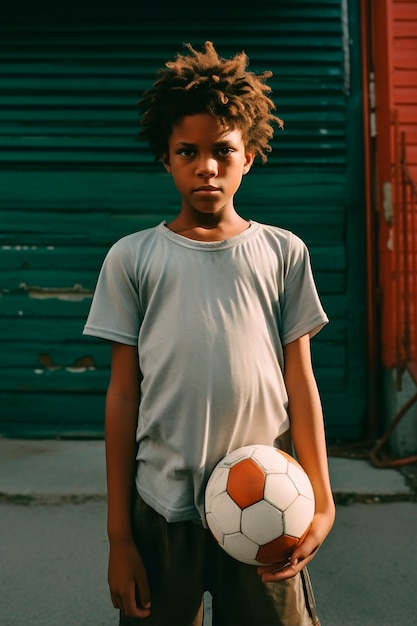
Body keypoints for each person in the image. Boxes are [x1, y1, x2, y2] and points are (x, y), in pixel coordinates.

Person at [83, 41, 335, 626]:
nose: (207, 167)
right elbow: (123, 395)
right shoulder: (132, 258)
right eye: (187, 152)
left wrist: (321, 504)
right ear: (166, 158)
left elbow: (301, 380)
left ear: (249, 155)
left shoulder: (282, 253)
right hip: (162, 508)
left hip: (266, 501)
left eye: (223, 150)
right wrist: (119, 538)